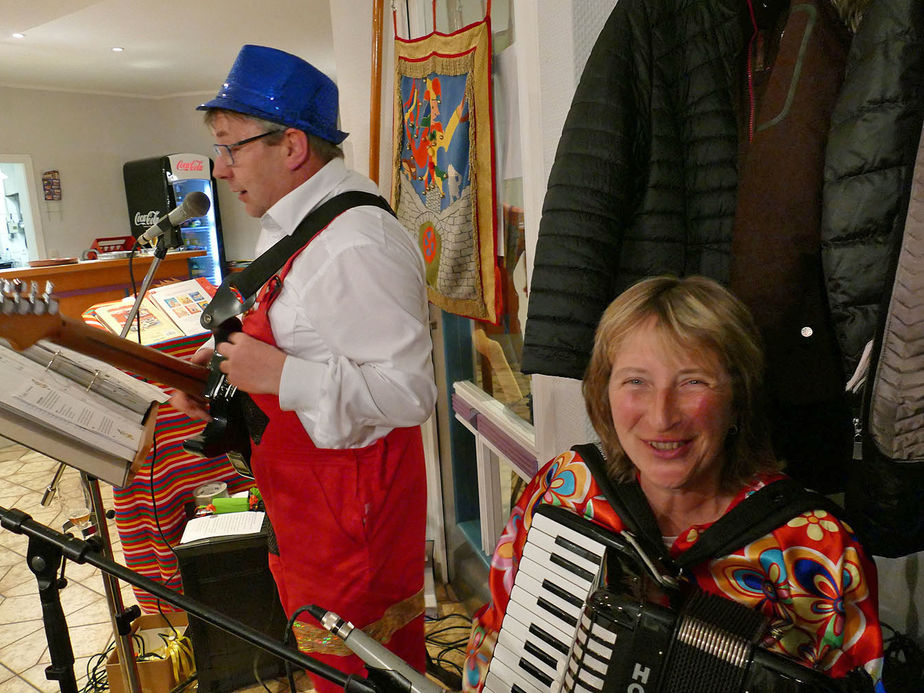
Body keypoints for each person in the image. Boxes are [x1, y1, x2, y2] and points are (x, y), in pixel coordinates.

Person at [463, 276, 885, 691]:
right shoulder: (567, 487)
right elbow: (495, 635)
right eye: (635, 381)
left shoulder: (818, 548)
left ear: (738, 397)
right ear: (604, 392)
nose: (662, 416)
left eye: (693, 382)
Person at [170, 45, 437, 692]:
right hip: (312, 504)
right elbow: (303, 338)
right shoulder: (289, 223)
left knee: (364, 671)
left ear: (291, 146)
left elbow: (408, 393)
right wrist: (231, 377)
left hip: (354, 518)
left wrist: (279, 374)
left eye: (233, 147)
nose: (221, 169)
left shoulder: (355, 243)